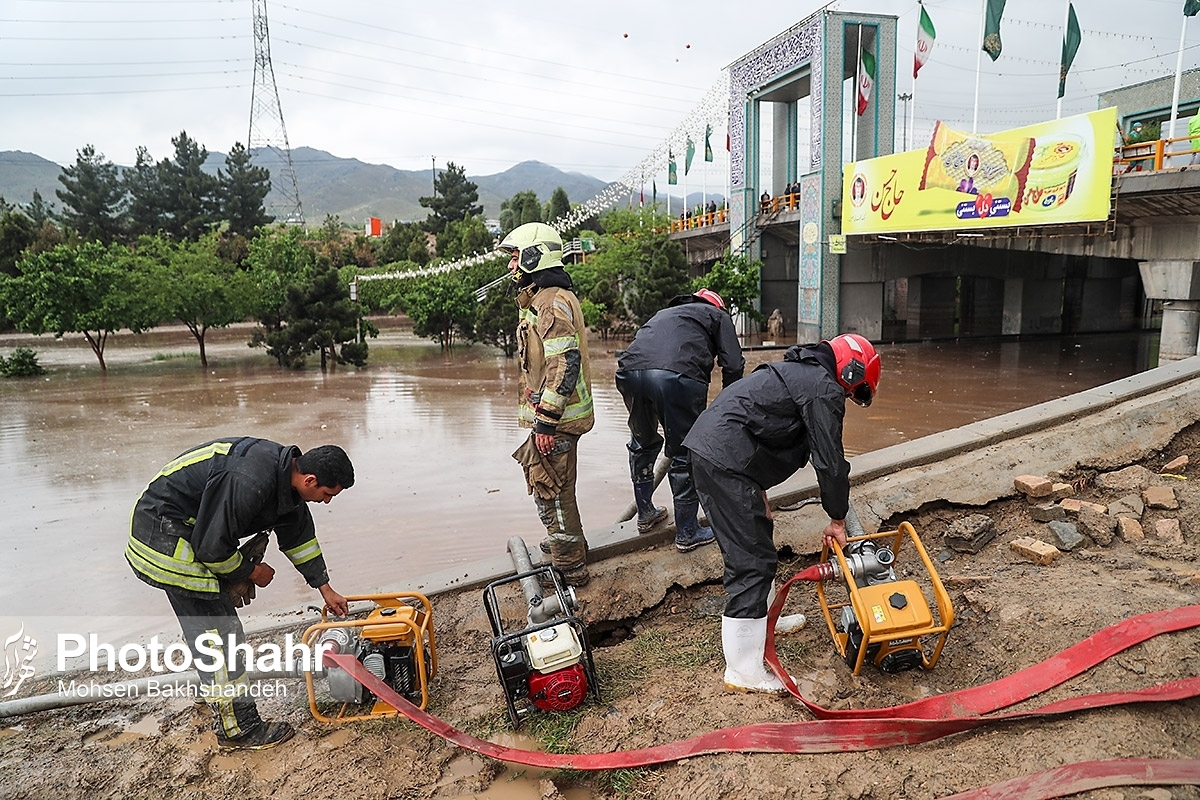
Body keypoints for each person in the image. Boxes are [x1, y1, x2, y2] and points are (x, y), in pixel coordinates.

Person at [125, 438, 354, 750]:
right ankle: (239, 728)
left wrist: (324, 588)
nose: (326, 501)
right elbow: (211, 548)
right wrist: (250, 571)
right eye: (327, 495)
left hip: (190, 531)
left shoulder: (286, 479)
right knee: (221, 634)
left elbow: (298, 537)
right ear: (311, 480)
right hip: (161, 535)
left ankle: (214, 694)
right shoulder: (250, 480)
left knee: (209, 628)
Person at [684, 334, 881, 693]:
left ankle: (767, 618)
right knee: (751, 563)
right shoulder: (822, 389)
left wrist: (757, 490)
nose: (850, 399)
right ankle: (743, 671)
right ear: (852, 372)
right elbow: (830, 462)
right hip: (724, 462)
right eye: (856, 391)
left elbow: (756, 425)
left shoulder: (799, 374)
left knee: (760, 542)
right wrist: (838, 519)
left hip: (725, 457)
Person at [615, 289, 744, 552]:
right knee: (685, 451)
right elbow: (733, 365)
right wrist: (729, 406)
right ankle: (686, 530)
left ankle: (645, 513)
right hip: (676, 377)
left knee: (642, 442)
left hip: (629, 372)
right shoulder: (717, 315)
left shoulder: (664, 314)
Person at [501, 222, 594, 587]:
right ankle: (568, 545)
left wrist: (545, 422)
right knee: (559, 490)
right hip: (556, 417)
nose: (510, 267)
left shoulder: (550, 302)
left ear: (532, 257)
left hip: (557, 421)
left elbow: (565, 364)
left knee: (550, 492)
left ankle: (570, 567)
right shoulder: (542, 298)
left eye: (514, 258)